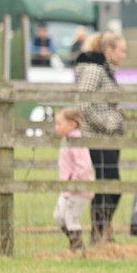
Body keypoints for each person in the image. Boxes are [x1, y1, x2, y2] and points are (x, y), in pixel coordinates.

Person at [75, 31, 127, 243]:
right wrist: (108, 124)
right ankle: (99, 232)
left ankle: (102, 231)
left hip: (107, 138)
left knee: (110, 184)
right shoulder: (94, 70)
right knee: (110, 185)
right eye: (122, 51)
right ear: (108, 50)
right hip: (97, 137)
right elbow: (84, 103)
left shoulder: (104, 70)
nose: (124, 55)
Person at [53, 107, 94, 254]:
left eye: (59, 123)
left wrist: (74, 181)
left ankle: (77, 248)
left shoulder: (76, 140)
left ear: (72, 124)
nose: (56, 127)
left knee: (71, 218)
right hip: (67, 188)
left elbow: (84, 165)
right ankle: (75, 245)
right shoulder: (68, 139)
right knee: (59, 217)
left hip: (78, 189)